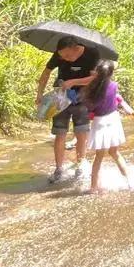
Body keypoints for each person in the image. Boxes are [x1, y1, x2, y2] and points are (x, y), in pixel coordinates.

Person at [35, 36, 99, 183]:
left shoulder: (92, 54)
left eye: (68, 56)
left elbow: (94, 78)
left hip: (82, 97)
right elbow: (46, 72)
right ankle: (58, 169)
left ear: (76, 48)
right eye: (62, 56)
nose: (65, 58)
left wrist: (74, 82)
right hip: (60, 97)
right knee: (60, 132)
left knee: (81, 131)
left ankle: (80, 164)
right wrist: (39, 94)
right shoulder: (60, 54)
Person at [84, 60, 132, 194]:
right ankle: (130, 182)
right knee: (115, 153)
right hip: (113, 120)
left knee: (98, 158)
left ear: (97, 73)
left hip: (99, 122)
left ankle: (93, 188)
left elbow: (89, 109)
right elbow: (115, 97)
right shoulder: (114, 86)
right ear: (110, 74)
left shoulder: (91, 89)